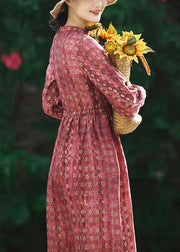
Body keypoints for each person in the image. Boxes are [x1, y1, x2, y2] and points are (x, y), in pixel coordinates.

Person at [42, 0, 146, 251]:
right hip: (94, 156)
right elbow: (126, 100)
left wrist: (77, 113)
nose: (99, 3)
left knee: (72, 240)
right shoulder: (85, 45)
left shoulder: (59, 42)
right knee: (103, 238)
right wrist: (139, 92)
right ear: (69, 1)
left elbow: (50, 103)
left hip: (64, 153)